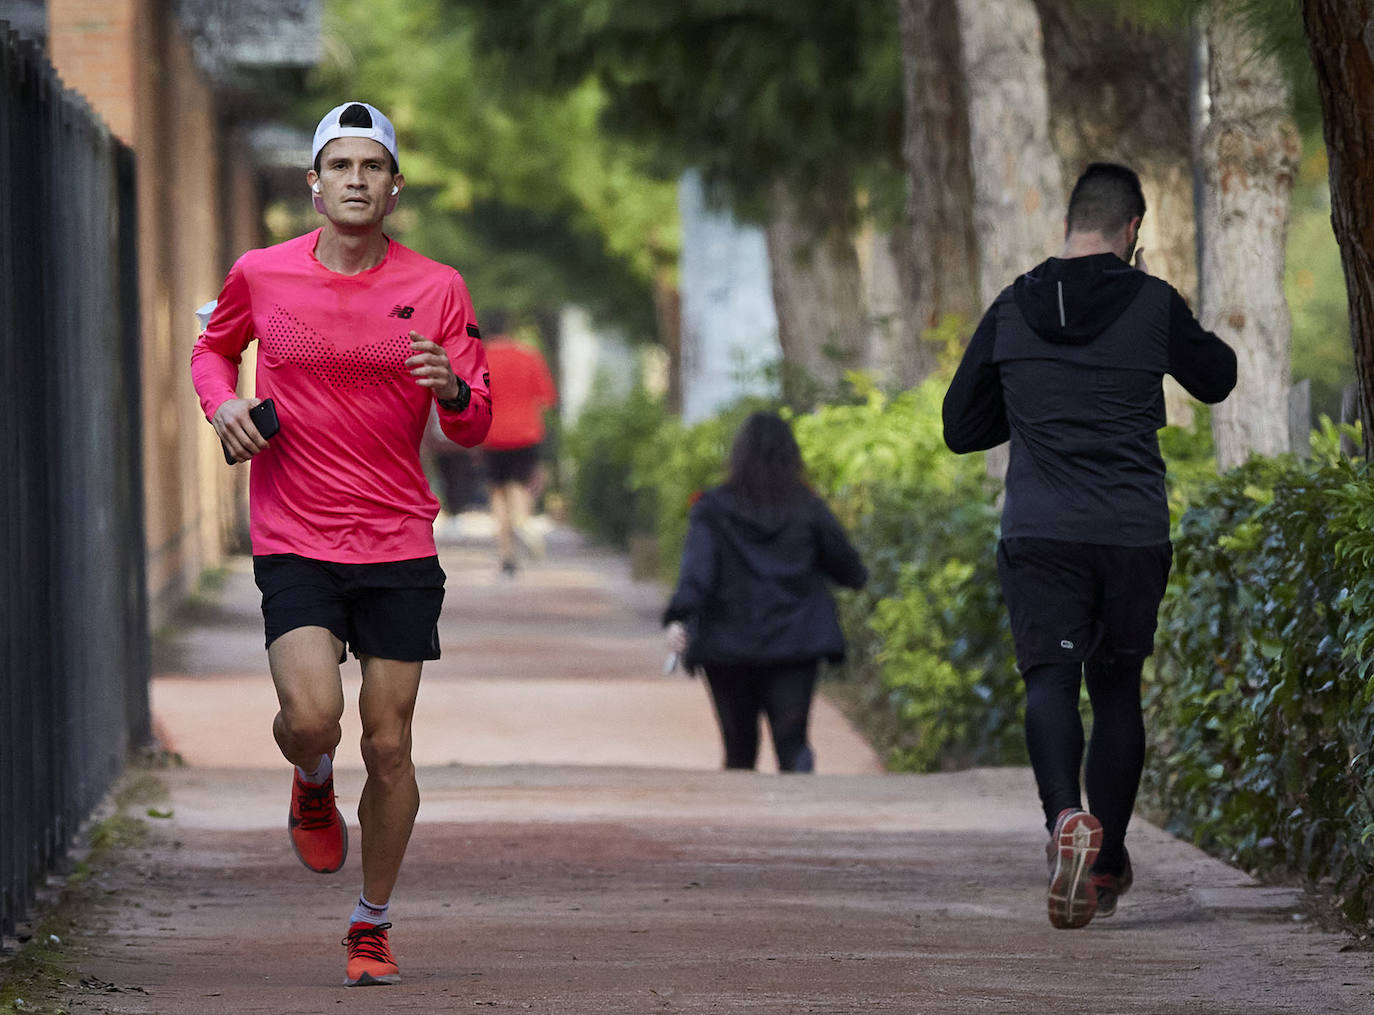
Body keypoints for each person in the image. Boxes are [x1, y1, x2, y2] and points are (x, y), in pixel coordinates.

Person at [190, 101, 492, 985]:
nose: (356, 180)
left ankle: (372, 919)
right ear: (313, 185)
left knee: (391, 744)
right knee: (317, 715)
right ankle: (312, 771)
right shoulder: (262, 272)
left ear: (394, 186)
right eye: (340, 166)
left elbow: (476, 426)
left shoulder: (439, 286)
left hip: (398, 536)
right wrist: (225, 406)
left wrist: (453, 391)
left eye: (372, 166)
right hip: (296, 534)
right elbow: (212, 352)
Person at [942, 162, 1237, 929]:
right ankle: (1104, 872)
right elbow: (1218, 379)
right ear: (1133, 230)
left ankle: (1064, 821)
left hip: (1040, 529)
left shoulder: (1013, 304)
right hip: (1132, 532)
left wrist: (1038, 406)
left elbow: (959, 426)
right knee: (1116, 690)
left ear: (1069, 223)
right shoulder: (1151, 301)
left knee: (1049, 678)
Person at [662, 411, 867, 772]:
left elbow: (698, 574)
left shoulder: (711, 510)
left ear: (737, 455)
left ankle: (745, 824)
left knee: (739, 750)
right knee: (793, 744)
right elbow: (850, 571)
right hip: (796, 642)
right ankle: (803, 818)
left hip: (726, 645)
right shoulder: (807, 507)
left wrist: (678, 617)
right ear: (792, 455)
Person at [479, 332, 557, 574]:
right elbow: (547, 398)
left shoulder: (481, 358)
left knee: (498, 492)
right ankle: (524, 523)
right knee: (518, 487)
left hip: (491, 435)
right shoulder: (529, 357)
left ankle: (506, 553)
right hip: (526, 433)